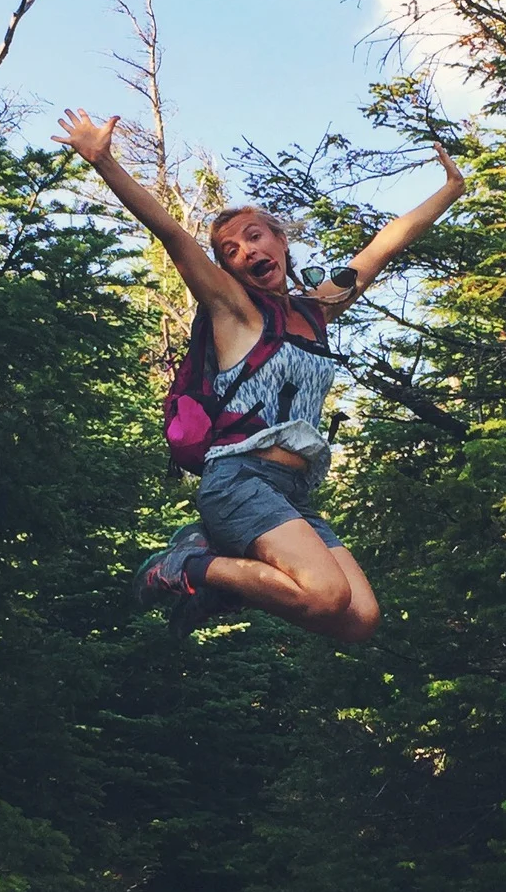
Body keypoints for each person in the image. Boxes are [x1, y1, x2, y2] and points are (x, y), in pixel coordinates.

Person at [53, 108, 469, 641]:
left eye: (255, 237)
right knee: (325, 595)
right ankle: (183, 567)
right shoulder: (233, 310)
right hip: (239, 479)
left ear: (280, 240)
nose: (247, 251)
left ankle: (219, 576)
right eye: (231, 250)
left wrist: (450, 191)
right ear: (226, 270)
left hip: (291, 491)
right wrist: (105, 161)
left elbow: (384, 246)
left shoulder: (316, 310)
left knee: (358, 621)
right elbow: (172, 235)